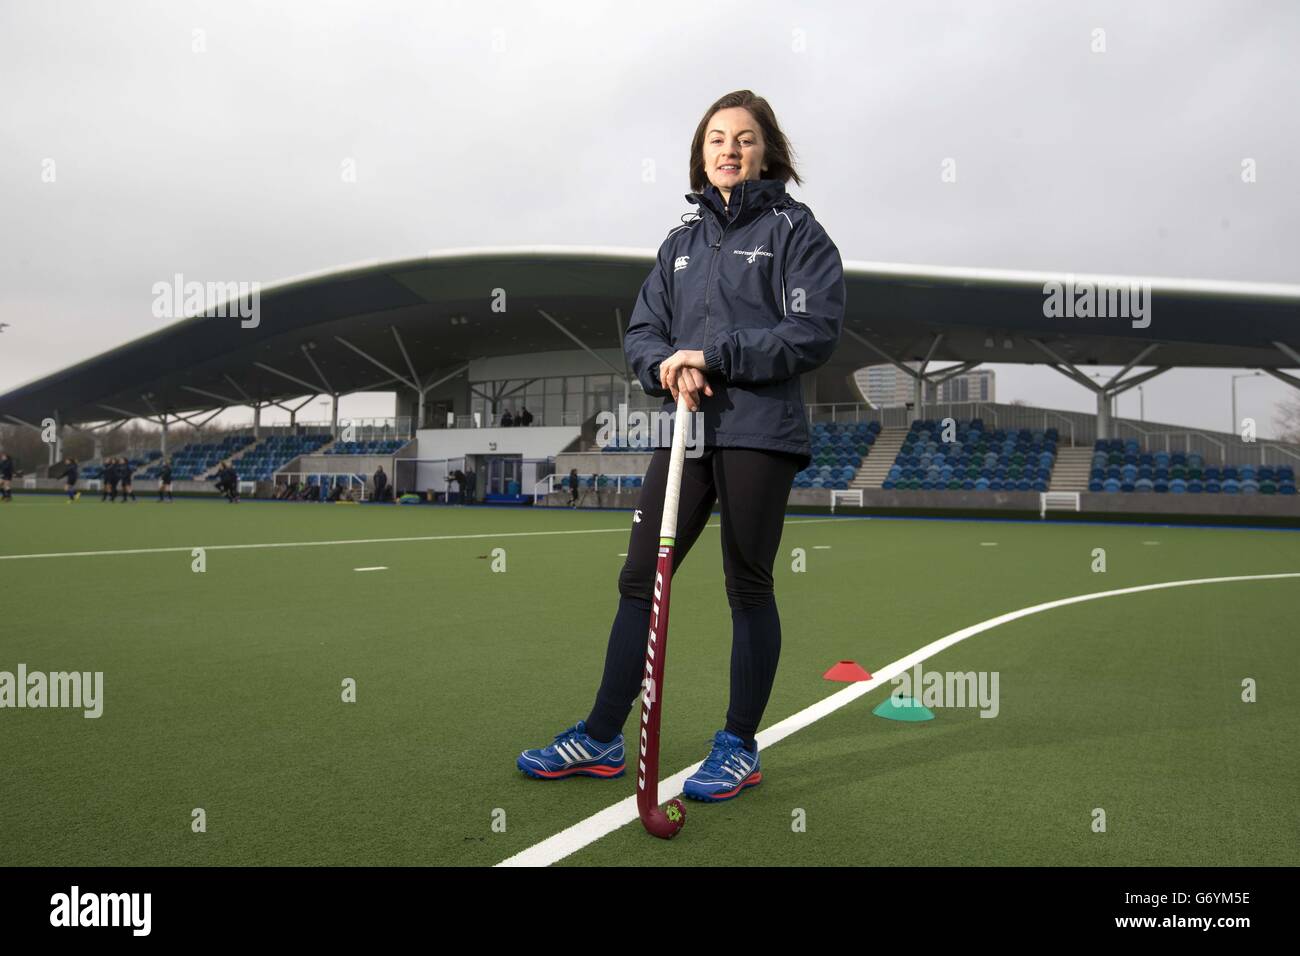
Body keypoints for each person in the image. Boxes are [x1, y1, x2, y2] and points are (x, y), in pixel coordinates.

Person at [518, 90, 845, 802]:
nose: (730, 149)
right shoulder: (680, 245)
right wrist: (662, 363)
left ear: (769, 152)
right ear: (701, 154)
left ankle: (738, 745)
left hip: (758, 430)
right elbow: (643, 332)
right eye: (716, 139)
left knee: (746, 585)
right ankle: (602, 736)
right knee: (640, 577)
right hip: (688, 432)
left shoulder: (797, 231)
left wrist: (712, 355)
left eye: (745, 139)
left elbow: (811, 332)